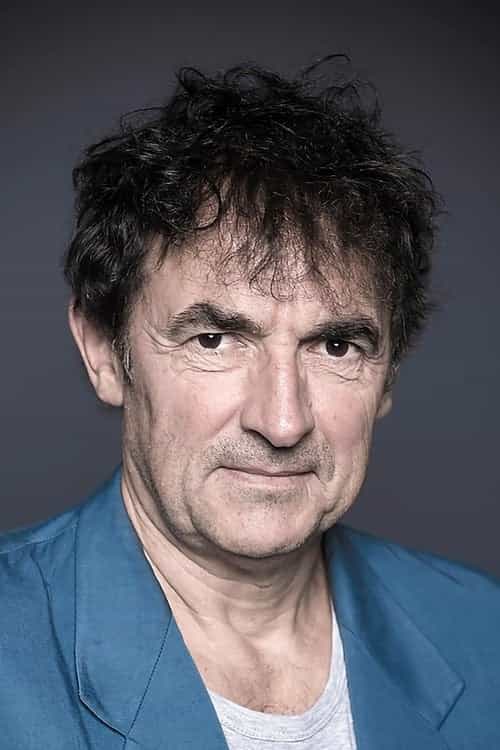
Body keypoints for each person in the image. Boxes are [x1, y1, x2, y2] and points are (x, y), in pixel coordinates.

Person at [1, 58, 499, 750]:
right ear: (104, 353)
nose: (282, 421)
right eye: (214, 339)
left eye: (335, 347)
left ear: (388, 374)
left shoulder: (483, 629)